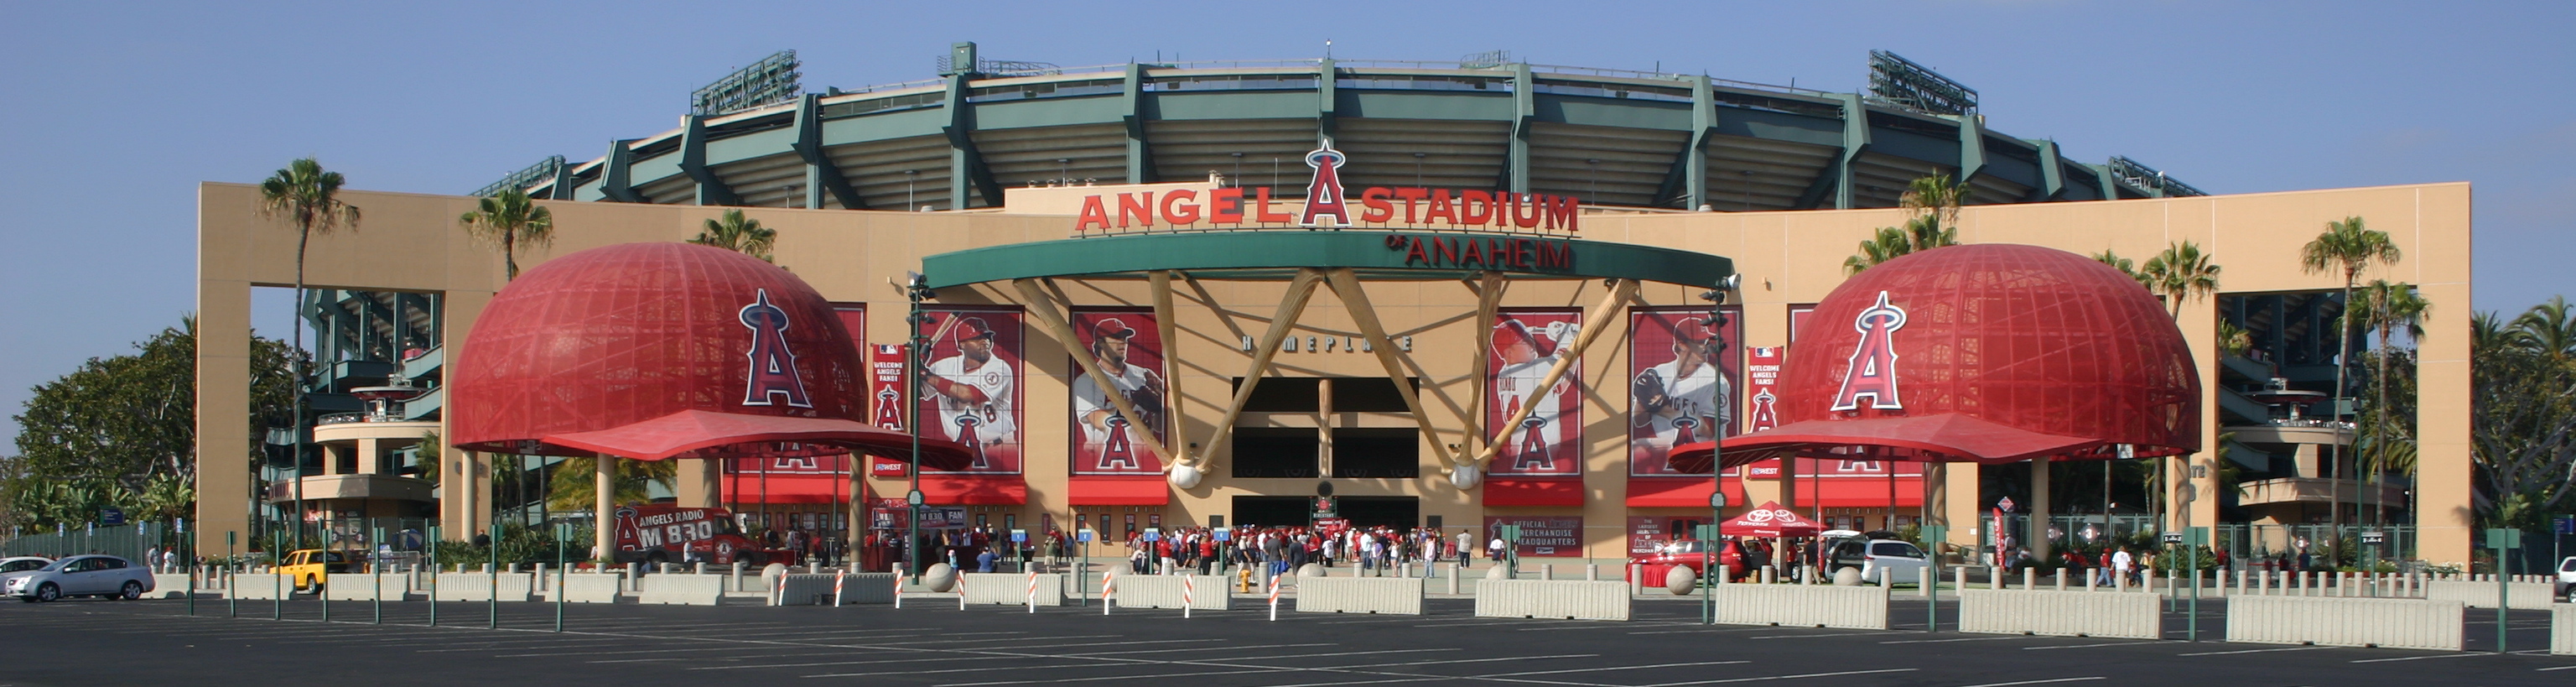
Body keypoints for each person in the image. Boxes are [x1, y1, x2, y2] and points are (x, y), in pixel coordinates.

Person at [1630, 318, 1731, 471]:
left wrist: (1663, 408)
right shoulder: (1659, 373)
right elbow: (1639, 420)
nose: (1704, 348)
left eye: (1706, 342)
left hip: (1706, 458)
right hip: (1670, 454)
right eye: (1698, 342)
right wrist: (1644, 402)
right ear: (1681, 344)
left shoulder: (1715, 380)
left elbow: (1710, 430)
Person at [1071, 318, 1166, 473]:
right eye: (1116, 338)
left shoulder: (1143, 374)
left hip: (1146, 458)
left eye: (1124, 338)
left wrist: (1160, 405)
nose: (1122, 343)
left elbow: (1160, 427)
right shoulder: (1087, 380)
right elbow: (1099, 421)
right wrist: (1131, 402)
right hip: (1101, 460)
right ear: (1101, 343)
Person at [922, 315, 1017, 469]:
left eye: (986, 337)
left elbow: (969, 395)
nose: (984, 342)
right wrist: (916, 362)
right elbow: (917, 391)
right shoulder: (944, 367)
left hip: (998, 447)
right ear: (962, 345)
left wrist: (925, 375)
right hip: (960, 450)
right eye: (977, 338)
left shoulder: (999, 367)